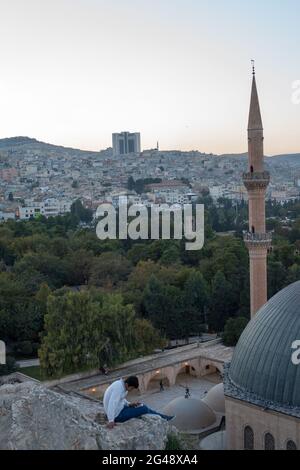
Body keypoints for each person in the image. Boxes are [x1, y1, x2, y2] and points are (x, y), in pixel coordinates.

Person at [103, 376, 174, 429]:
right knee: (144, 408)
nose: (132, 390)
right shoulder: (118, 388)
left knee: (141, 406)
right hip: (118, 416)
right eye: (132, 388)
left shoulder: (120, 385)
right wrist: (111, 420)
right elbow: (112, 403)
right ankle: (164, 417)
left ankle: (163, 417)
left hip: (119, 410)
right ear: (127, 385)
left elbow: (120, 399)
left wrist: (129, 404)